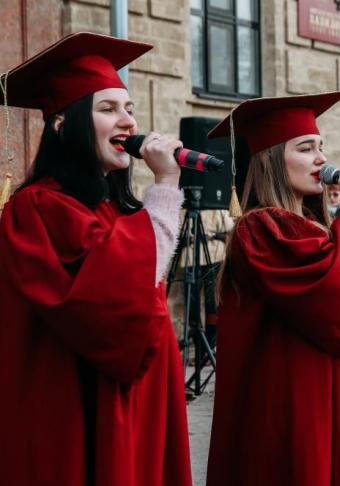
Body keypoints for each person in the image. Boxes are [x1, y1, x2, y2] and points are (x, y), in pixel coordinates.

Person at [0, 33, 191, 485]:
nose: (127, 122)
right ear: (62, 124)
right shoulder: (38, 207)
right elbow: (109, 303)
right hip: (72, 409)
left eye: (129, 109)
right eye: (107, 109)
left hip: (132, 405)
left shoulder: (109, 208)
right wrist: (164, 190)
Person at [205, 91, 340, 486]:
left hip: (325, 394)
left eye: (321, 147)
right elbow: (337, 303)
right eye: (306, 148)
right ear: (271, 160)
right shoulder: (263, 228)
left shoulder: (309, 226)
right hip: (293, 403)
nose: (322, 159)